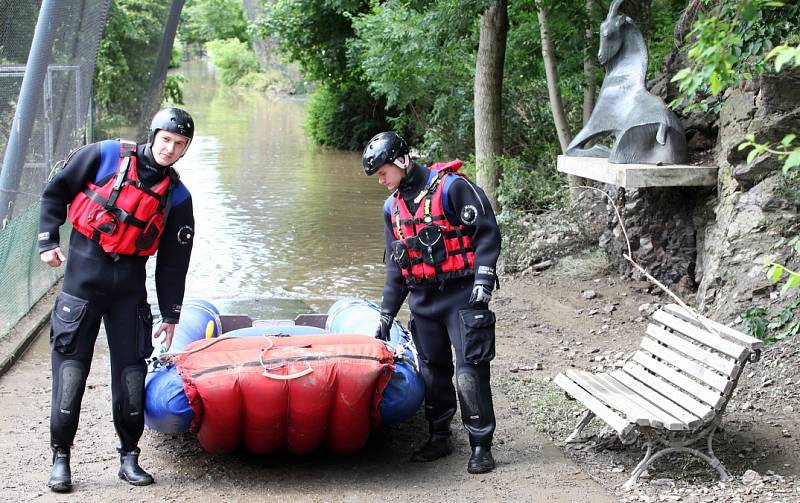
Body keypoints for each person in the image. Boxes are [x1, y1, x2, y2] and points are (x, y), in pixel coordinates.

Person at [38, 107, 196, 492]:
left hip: (129, 292)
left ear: (186, 149)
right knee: (71, 373)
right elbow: (56, 191)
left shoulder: (178, 196)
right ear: (153, 133)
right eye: (166, 140)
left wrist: (171, 313)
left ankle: (129, 457)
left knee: (130, 375)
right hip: (81, 285)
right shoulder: (105, 154)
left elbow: (174, 263)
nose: (170, 149)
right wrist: (47, 240)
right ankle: (61, 459)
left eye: (179, 144)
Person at [363, 132, 501, 474]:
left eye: (383, 173)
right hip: (423, 300)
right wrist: (385, 316)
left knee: (470, 371)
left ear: (401, 161)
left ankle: (481, 445)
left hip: (461, 295)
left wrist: (483, 280)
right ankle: (439, 436)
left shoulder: (452, 188)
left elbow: (487, 232)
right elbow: (396, 266)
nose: (381, 181)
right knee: (432, 372)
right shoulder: (391, 208)